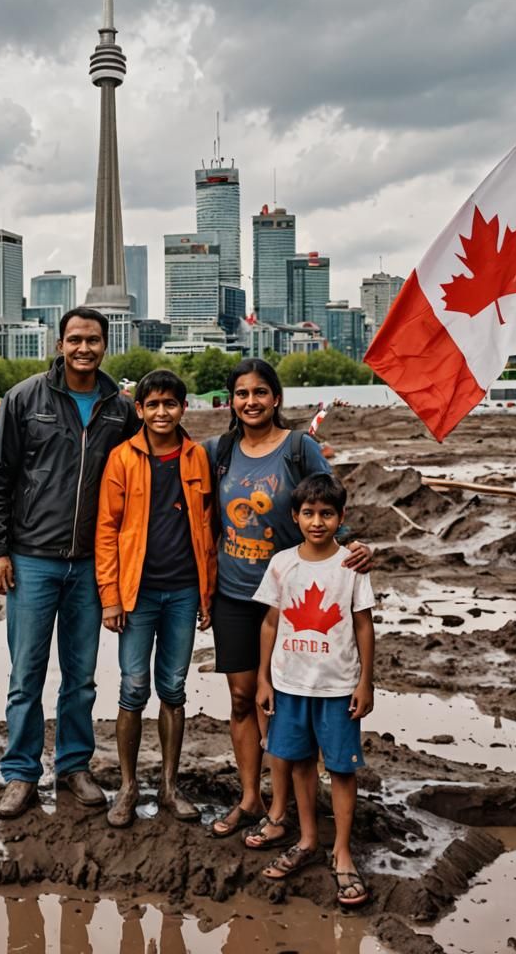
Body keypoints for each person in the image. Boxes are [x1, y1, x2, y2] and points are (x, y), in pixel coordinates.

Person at [0, 307, 140, 819]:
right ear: (59, 343)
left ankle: (73, 766)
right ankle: (21, 773)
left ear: (105, 345)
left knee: (82, 675)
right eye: (75, 340)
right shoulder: (25, 398)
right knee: (26, 674)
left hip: (92, 566)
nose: (84, 349)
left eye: (93, 340)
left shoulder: (120, 408)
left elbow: (150, 465)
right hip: (31, 560)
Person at [204, 358, 372, 839]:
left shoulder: (300, 448)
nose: (251, 401)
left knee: (277, 703)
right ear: (231, 402)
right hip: (235, 594)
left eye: (260, 392)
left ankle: (282, 808)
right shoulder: (219, 451)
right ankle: (250, 798)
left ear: (276, 398)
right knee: (242, 698)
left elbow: (331, 503)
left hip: (290, 599)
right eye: (241, 393)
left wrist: (357, 544)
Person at [96, 369, 217, 828]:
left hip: (185, 591)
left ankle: (168, 786)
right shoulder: (122, 458)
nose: (162, 412)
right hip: (136, 594)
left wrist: (208, 594)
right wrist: (110, 597)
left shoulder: (197, 457)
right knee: (132, 687)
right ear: (140, 410)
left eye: (171, 404)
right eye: (153, 405)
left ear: (182, 409)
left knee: (173, 688)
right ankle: (128, 788)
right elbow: (106, 530)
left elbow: (209, 528)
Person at [251, 473, 375, 906]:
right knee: (298, 760)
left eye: (326, 514)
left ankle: (342, 851)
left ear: (341, 518)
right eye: (308, 513)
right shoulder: (283, 563)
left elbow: (364, 624)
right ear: (295, 516)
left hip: (338, 687)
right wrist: (264, 678)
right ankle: (306, 840)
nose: (317, 522)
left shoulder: (351, 565)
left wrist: (366, 681)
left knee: (341, 768)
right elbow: (270, 622)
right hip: (289, 684)